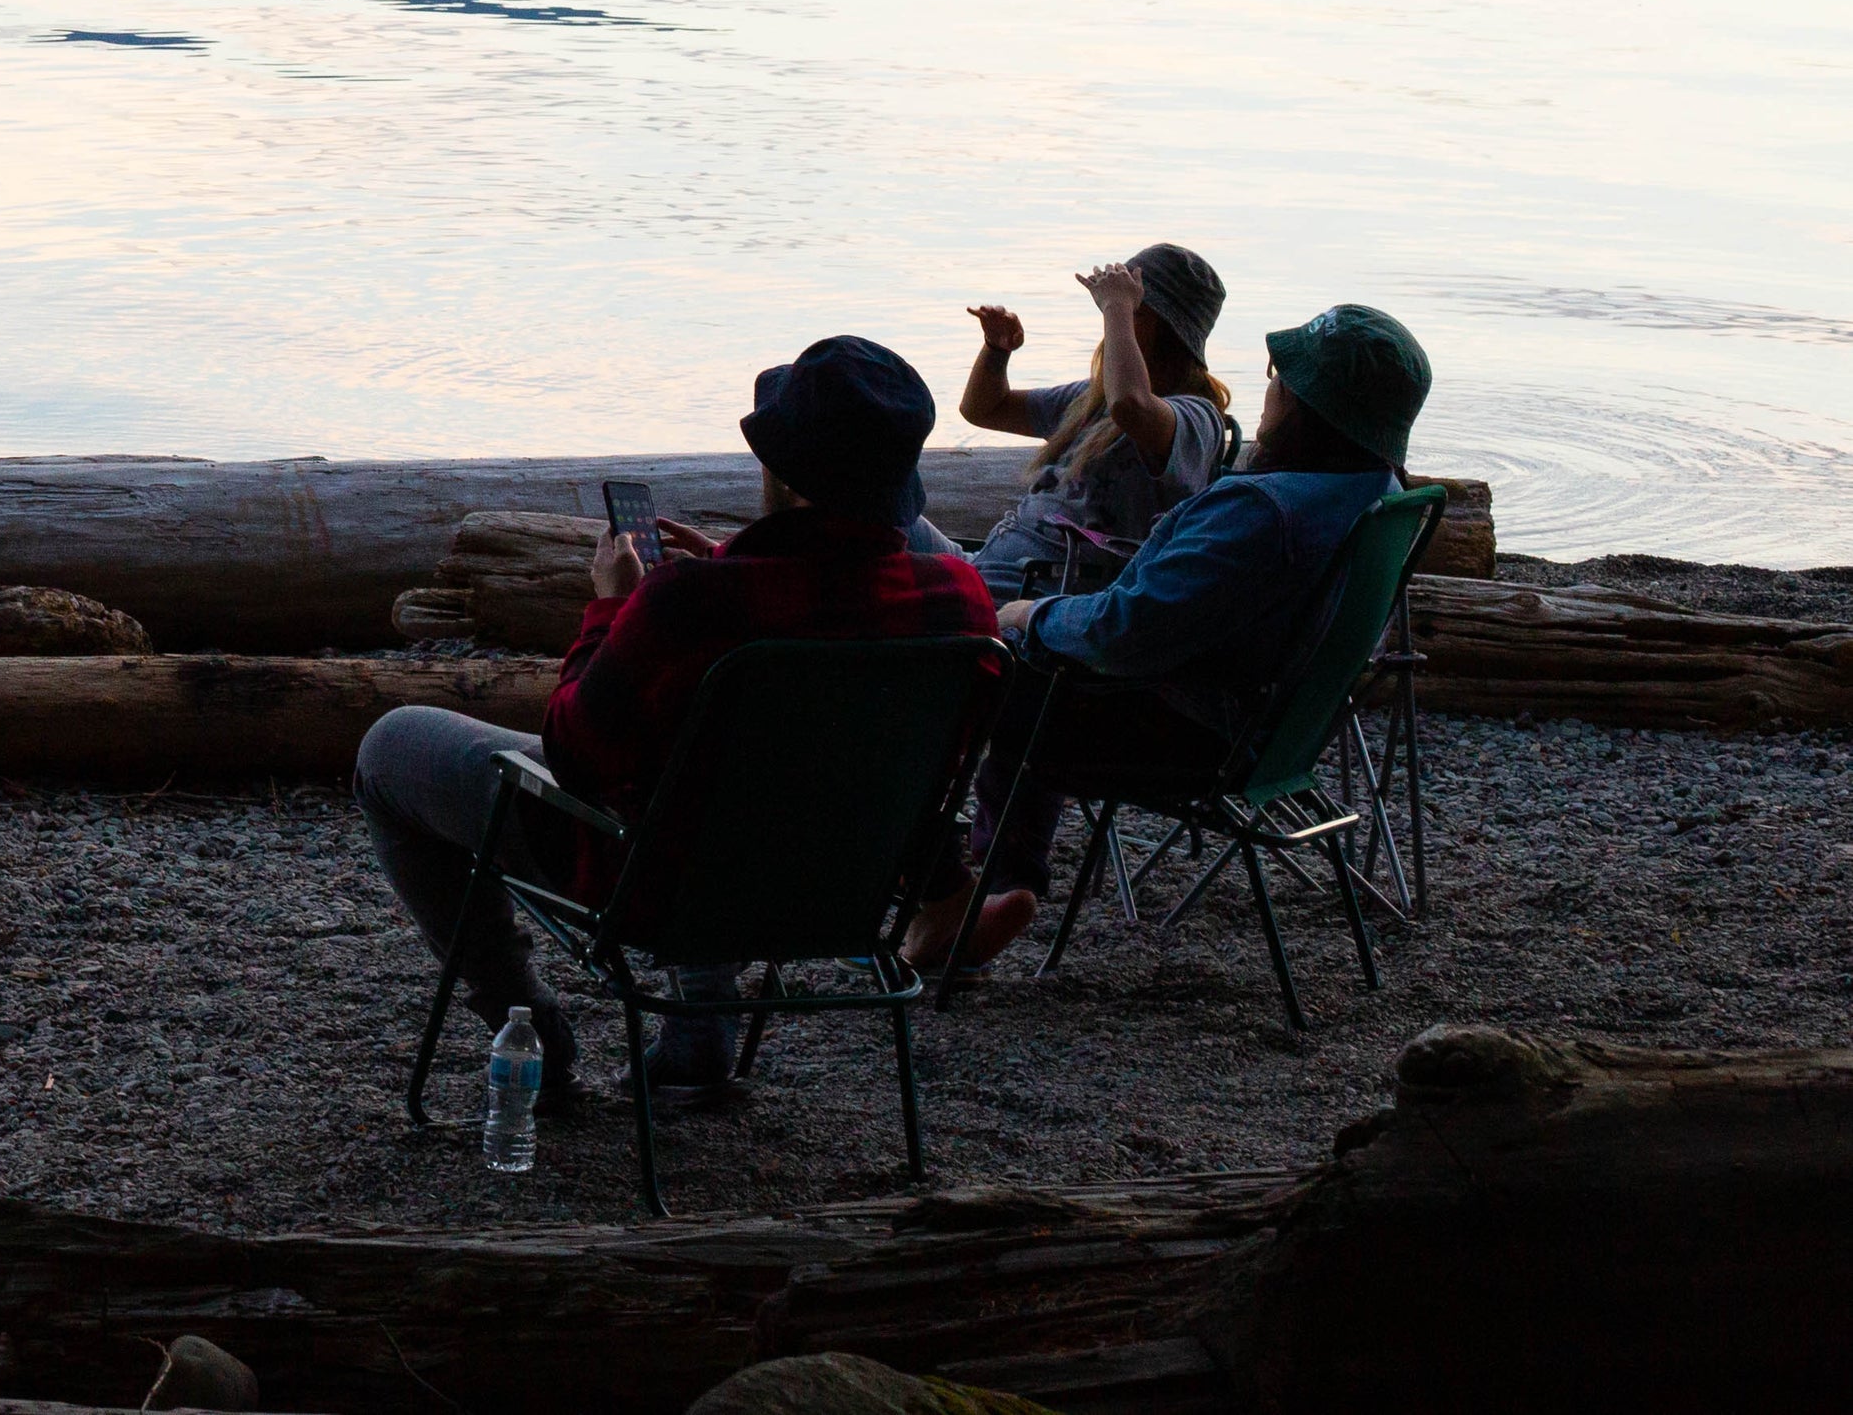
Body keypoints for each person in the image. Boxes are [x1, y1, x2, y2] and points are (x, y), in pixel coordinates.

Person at [355, 335, 997, 1105]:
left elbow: (575, 754)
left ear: (779, 471)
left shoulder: (689, 604)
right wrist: (735, 565)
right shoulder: (960, 603)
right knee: (722, 776)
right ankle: (697, 1038)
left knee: (389, 750)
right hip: (841, 893)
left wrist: (614, 606)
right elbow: (840, 618)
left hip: (659, 884)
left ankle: (530, 1032)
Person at [905, 301, 1432, 973]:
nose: (1269, 387)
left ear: (1305, 404)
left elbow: (1124, 635)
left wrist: (1033, 616)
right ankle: (1000, 888)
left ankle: (940, 900)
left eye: (1279, 376)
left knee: (933, 676)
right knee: (1022, 682)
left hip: (1173, 731)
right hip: (1269, 738)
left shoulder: (1263, 513)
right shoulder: (1376, 493)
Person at [950, 245, 1237, 598]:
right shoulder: (1092, 399)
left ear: (1167, 330)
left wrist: (1116, 306)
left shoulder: (1196, 418)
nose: (1112, 322)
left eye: (1135, 309)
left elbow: (1131, 406)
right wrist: (997, 350)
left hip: (1030, 596)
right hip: (986, 565)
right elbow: (984, 409)